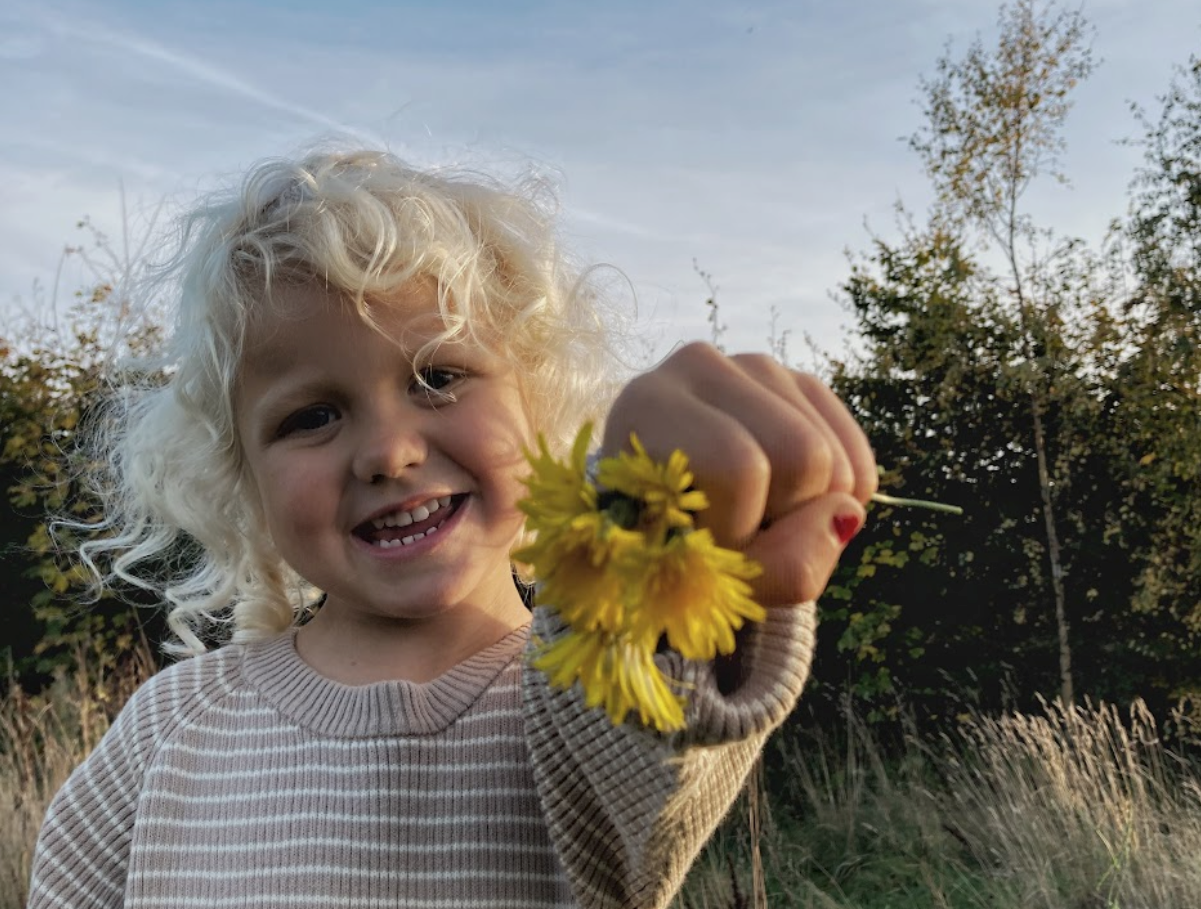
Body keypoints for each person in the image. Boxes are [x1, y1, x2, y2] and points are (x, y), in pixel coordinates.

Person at [28, 148, 877, 909]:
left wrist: (664, 519)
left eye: (438, 377)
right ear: (241, 478)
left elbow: (654, 700)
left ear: (541, 406)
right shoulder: (167, 729)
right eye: (311, 416)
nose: (388, 452)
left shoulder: (575, 704)